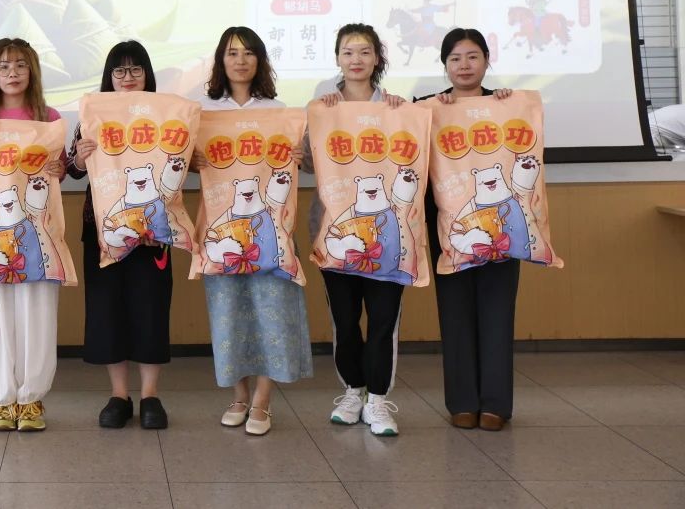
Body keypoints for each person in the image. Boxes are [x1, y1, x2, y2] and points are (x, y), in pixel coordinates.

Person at [191, 26, 312, 436]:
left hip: (271, 232)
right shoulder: (203, 113)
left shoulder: (278, 111)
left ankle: (263, 400)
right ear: (220, 61)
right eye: (231, 53)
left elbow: (291, 169)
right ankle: (238, 395)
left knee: (273, 314)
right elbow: (178, 163)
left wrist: (298, 154)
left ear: (260, 59)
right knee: (228, 317)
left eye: (248, 53)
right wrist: (191, 160)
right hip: (221, 232)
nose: (240, 60)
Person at [0, 37, 68, 432]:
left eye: (20, 65)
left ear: (32, 70)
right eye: (3, 66)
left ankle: (32, 399)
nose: (13, 73)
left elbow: (57, 170)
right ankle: (2, 401)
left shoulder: (48, 117)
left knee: (37, 314)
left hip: (38, 233)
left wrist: (59, 170)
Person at [305, 23, 407, 437]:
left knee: (383, 320)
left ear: (377, 58)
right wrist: (316, 125)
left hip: (387, 236)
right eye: (348, 52)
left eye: (365, 51)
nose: (356, 59)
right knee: (345, 320)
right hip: (336, 232)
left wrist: (404, 116)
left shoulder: (397, 109)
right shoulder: (322, 108)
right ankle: (353, 391)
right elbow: (307, 162)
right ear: (337, 59)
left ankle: (378, 400)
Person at [67, 41, 173, 430]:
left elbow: (177, 164)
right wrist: (80, 157)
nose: (127, 78)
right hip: (104, 230)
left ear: (147, 74)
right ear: (109, 77)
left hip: (153, 231)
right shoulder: (92, 114)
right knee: (107, 309)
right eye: (119, 71)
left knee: (150, 308)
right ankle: (118, 395)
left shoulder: (166, 115)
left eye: (135, 69)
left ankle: (150, 395)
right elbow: (73, 169)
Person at [415, 28, 515, 431]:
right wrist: (423, 113)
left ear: (487, 61)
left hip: (502, 226)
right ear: (445, 65)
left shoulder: (506, 106)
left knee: (497, 312)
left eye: (473, 56)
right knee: (455, 313)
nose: (464, 66)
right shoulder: (427, 108)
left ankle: (495, 405)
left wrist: (511, 107)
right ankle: (462, 402)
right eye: (455, 58)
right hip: (450, 227)